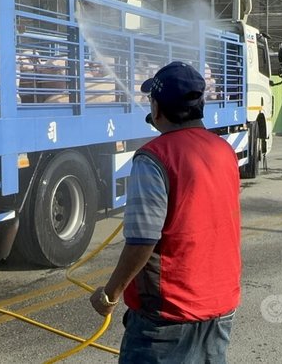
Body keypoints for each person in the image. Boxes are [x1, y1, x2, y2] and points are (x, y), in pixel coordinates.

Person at [89, 61, 242, 363]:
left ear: (157, 109)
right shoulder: (224, 150)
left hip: (168, 317)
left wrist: (110, 295)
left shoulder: (154, 158)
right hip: (220, 307)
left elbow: (142, 241)